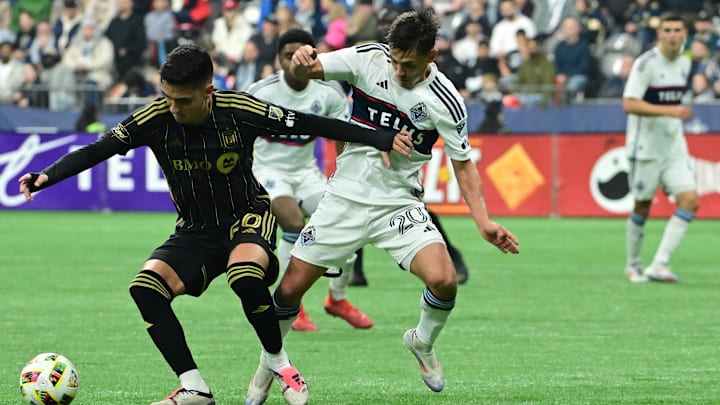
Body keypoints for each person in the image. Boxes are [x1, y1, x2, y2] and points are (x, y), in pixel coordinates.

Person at [18, 44, 409, 405]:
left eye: (182, 100)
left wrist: (383, 139)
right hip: (194, 230)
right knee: (145, 289)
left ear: (208, 91)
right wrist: (46, 176)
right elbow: (98, 148)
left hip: (247, 216)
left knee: (244, 274)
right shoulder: (155, 118)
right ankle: (195, 387)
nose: (172, 107)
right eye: (167, 96)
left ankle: (280, 363)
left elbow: (314, 123)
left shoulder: (241, 110)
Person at [245, 9, 519, 402]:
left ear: (432, 56)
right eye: (395, 61)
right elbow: (311, 71)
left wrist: (483, 221)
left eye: (409, 65)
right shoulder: (368, 58)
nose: (399, 71)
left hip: (397, 204)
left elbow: (464, 165)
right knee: (288, 292)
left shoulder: (446, 101)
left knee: (444, 280)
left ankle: (422, 341)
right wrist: (305, 57)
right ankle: (267, 365)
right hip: (345, 197)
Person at [247, 28, 372, 332]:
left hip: (306, 175)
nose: (295, 61)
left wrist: (347, 177)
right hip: (267, 173)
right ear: (279, 59)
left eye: (302, 54)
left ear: (315, 57)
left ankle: (337, 300)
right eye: (288, 55)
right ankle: (294, 304)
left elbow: (341, 136)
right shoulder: (260, 92)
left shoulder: (327, 93)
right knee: (292, 223)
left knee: (349, 221)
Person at [623, 12, 699, 284]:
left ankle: (659, 264)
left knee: (690, 200)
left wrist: (673, 115)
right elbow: (629, 103)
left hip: (674, 147)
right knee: (642, 206)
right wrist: (669, 111)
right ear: (659, 34)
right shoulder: (646, 64)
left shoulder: (684, 63)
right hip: (645, 149)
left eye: (677, 29)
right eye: (667, 30)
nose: (672, 35)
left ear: (684, 34)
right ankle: (633, 264)